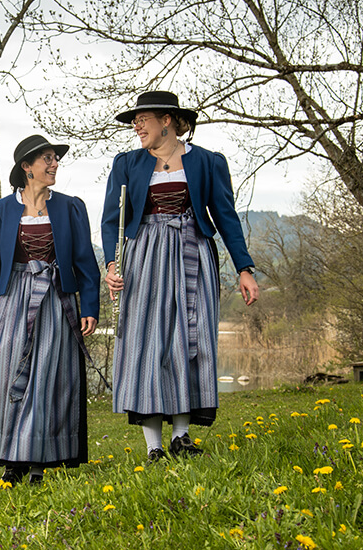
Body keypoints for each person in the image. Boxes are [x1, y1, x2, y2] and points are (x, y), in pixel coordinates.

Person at [102, 91, 259, 461]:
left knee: (192, 339)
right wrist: (112, 265)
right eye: (134, 121)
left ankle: (182, 436)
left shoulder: (206, 162)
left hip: (193, 252)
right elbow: (113, 221)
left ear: (168, 120)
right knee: (147, 343)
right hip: (144, 258)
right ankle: (153, 446)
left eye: (143, 119)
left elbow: (226, 216)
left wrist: (244, 268)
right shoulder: (127, 163)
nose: (136, 126)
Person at [0, 135, 100, 485]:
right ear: (26, 167)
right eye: (47, 159)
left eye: (55, 158)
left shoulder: (70, 207)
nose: (54, 164)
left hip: (57, 300)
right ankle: (10, 458)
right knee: (8, 373)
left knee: (49, 375)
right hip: (13, 299)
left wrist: (89, 306)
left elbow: (86, 264)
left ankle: (38, 461)